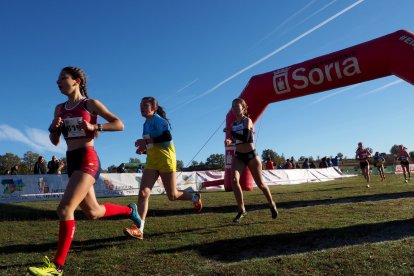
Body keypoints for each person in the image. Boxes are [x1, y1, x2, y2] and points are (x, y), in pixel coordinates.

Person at [27, 66, 141, 276]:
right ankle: (129, 210)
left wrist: (95, 128)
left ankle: (57, 267)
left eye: (62, 78)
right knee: (93, 212)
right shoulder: (59, 108)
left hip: (88, 158)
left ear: (77, 81)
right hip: (72, 159)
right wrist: (53, 127)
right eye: (58, 79)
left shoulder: (90, 104)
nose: (58, 82)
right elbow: (54, 142)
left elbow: (120, 124)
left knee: (65, 209)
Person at [123, 96, 202, 240]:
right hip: (152, 162)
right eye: (140, 105)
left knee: (172, 196)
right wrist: (144, 149)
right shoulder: (145, 124)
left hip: (166, 161)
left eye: (145, 106)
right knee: (143, 194)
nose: (142, 108)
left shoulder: (159, 120)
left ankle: (194, 196)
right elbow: (154, 145)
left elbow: (166, 137)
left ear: (154, 108)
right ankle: (139, 229)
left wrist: (146, 141)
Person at [224, 98, 278, 223]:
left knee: (261, 185)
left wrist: (231, 134)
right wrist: (229, 140)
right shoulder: (233, 124)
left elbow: (246, 137)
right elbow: (235, 138)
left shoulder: (247, 120)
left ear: (243, 108)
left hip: (251, 156)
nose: (235, 108)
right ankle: (241, 210)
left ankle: (272, 204)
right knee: (233, 180)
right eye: (233, 106)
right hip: (239, 156)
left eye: (237, 106)